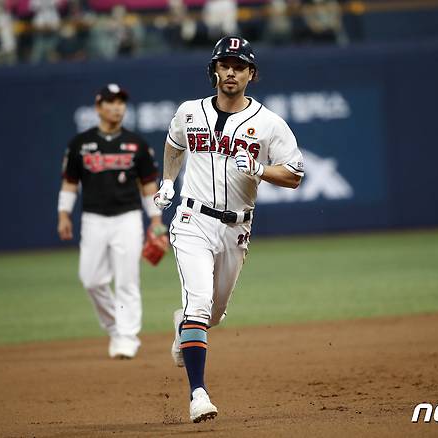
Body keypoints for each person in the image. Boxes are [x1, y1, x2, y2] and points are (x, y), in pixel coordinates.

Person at [153, 36, 304, 422]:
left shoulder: (269, 123)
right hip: (191, 220)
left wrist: (259, 169)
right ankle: (198, 394)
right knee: (200, 303)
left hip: (237, 228)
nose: (231, 71)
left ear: (251, 74)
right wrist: (168, 181)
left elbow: (294, 174)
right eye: (225, 64)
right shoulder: (189, 112)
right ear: (214, 71)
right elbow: (174, 145)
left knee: (213, 314)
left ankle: (182, 323)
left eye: (239, 65)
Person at [57, 84, 162, 360]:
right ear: (98, 106)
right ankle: (116, 327)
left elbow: (149, 186)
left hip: (127, 217)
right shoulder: (80, 143)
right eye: (111, 102)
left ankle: (127, 337)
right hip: (93, 218)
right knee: (91, 280)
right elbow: (69, 182)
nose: (117, 107)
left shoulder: (137, 144)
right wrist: (63, 214)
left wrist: (156, 221)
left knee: (127, 279)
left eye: (121, 102)